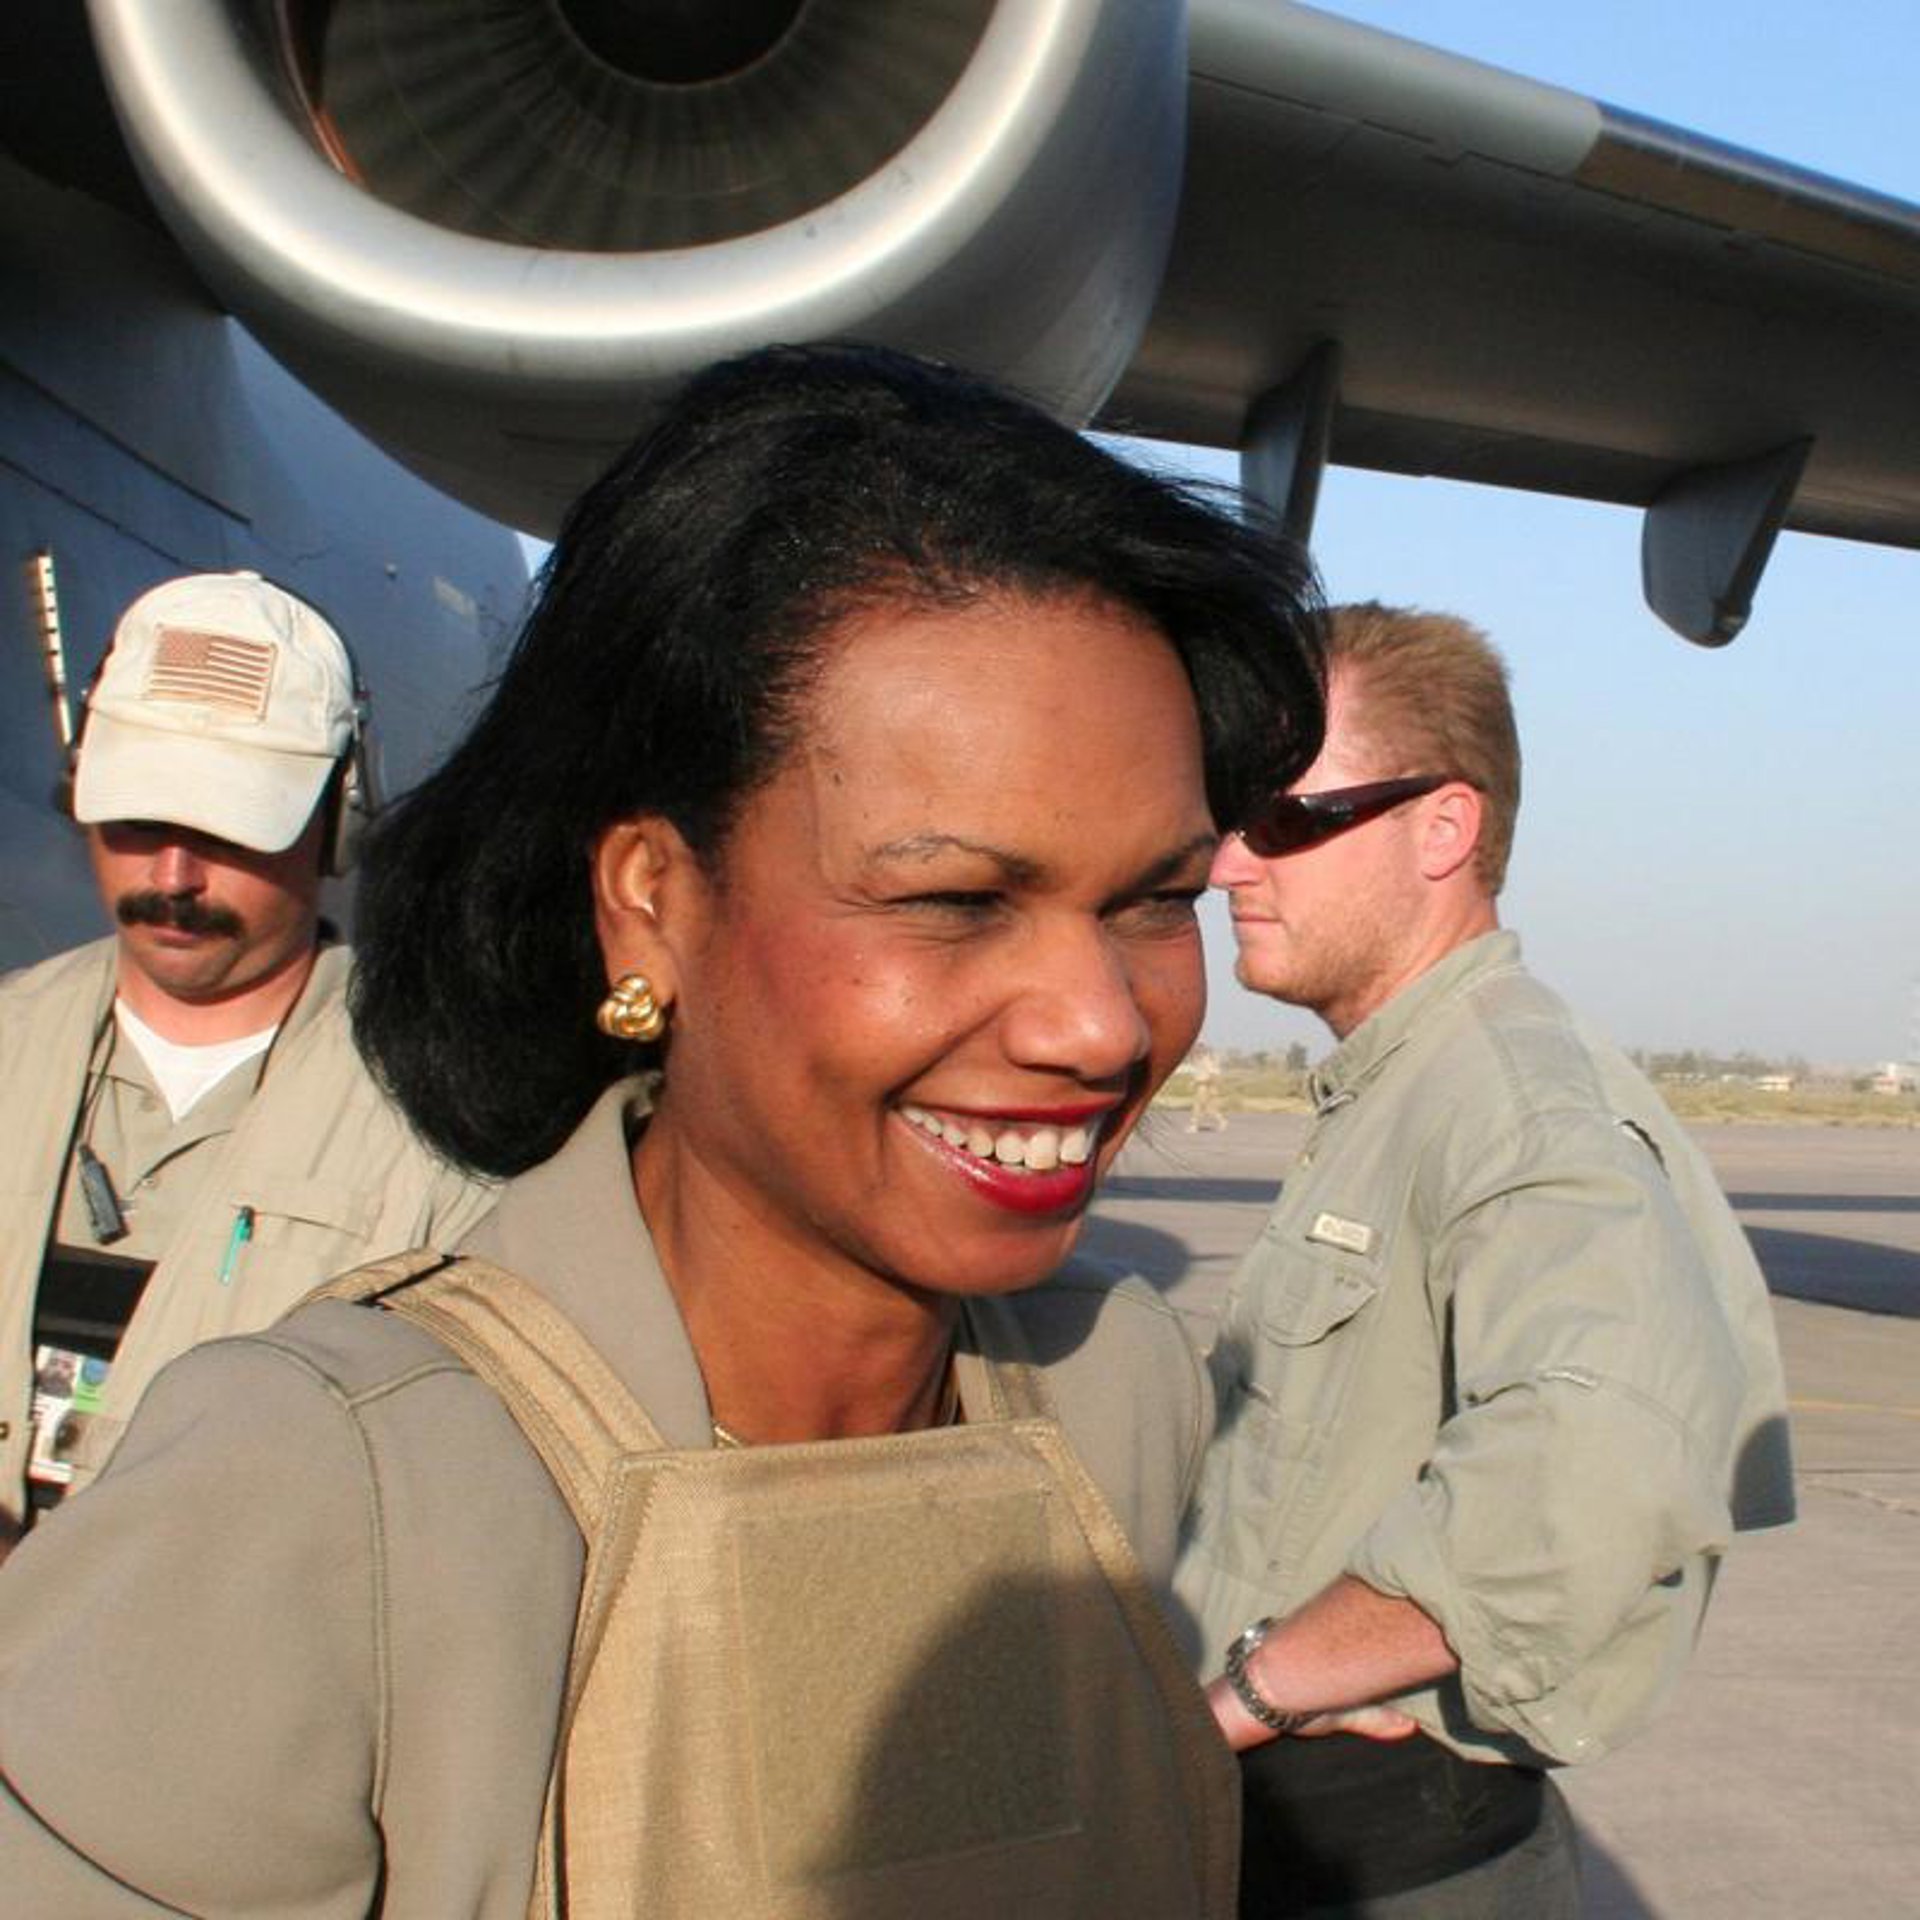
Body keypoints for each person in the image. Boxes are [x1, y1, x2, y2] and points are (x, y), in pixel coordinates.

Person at [0, 345, 1330, 1915]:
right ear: (650, 903)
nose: (1100, 1025)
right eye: (955, 899)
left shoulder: (1117, 1393)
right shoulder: (321, 1492)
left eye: (1156, 900)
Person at [1173, 603, 1795, 1917]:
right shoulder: (1406, 1090)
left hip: (1389, 1860)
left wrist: (1252, 1694)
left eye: (1285, 817)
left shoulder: (1508, 1103)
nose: (1231, 864)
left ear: (1443, 829)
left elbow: (1600, 1461)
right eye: (1233, 816)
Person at [0, 571, 495, 1547]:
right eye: (139, 820)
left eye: (226, 827)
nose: (173, 877)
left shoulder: (442, 1121)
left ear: (336, 820)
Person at [1187, 1042, 1228, 1132]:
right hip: (1201, 1086)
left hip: (1205, 1086)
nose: (1194, 1052)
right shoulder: (1199, 1060)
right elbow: (1200, 1074)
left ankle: (1194, 1125)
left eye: (1196, 1050)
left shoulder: (1206, 1060)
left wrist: (1212, 1088)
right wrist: (1194, 1082)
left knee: (1198, 1106)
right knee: (1207, 1107)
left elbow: (1212, 1075)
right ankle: (1222, 1121)